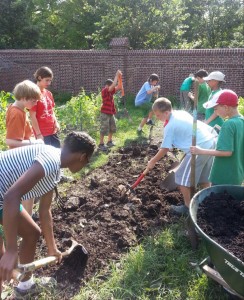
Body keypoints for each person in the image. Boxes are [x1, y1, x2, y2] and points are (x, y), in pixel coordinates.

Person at [0, 131, 96, 298]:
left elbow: (45, 211)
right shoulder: (50, 159)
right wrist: (11, 250)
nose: (84, 165)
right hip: (5, 198)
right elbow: (11, 197)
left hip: (3, 198)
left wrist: (53, 249)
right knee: (3, 257)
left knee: (32, 233)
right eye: (87, 161)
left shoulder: (55, 169)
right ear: (82, 156)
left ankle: (25, 286)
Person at [147, 98, 216, 215]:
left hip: (197, 149)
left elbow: (165, 148)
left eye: (158, 115)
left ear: (167, 113)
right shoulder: (181, 113)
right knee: (205, 177)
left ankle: (187, 207)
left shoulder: (171, 126)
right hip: (209, 143)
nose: (157, 118)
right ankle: (208, 201)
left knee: (181, 178)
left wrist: (152, 161)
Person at [5, 80, 44, 216]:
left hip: (24, 155)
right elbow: (10, 141)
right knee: (27, 190)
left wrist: (32, 140)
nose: (36, 103)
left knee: (29, 189)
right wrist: (34, 143)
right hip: (20, 158)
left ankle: (28, 215)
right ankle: (27, 219)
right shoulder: (17, 114)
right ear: (23, 98)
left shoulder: (19, 109)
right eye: (33, 101)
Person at [191, 90, 244, 185]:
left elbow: (226, 152)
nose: (215, 112)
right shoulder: (241, 121)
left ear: (226, 107)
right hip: (237, 174)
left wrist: (200, 151)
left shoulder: (228, 125)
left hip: (223, 176)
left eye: (215, 109)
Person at [98, 70, 122, 151]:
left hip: (111, 112)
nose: (112, 87)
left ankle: (109, 141)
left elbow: (119, 86)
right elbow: (113, 86)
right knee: (104, 128)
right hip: (104, 113)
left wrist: (119, 78)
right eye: (111, 85)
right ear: (107, 85)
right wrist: (116, 75)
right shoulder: (104, 90)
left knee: (112, 127)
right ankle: (101, 144)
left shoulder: (111, 92)